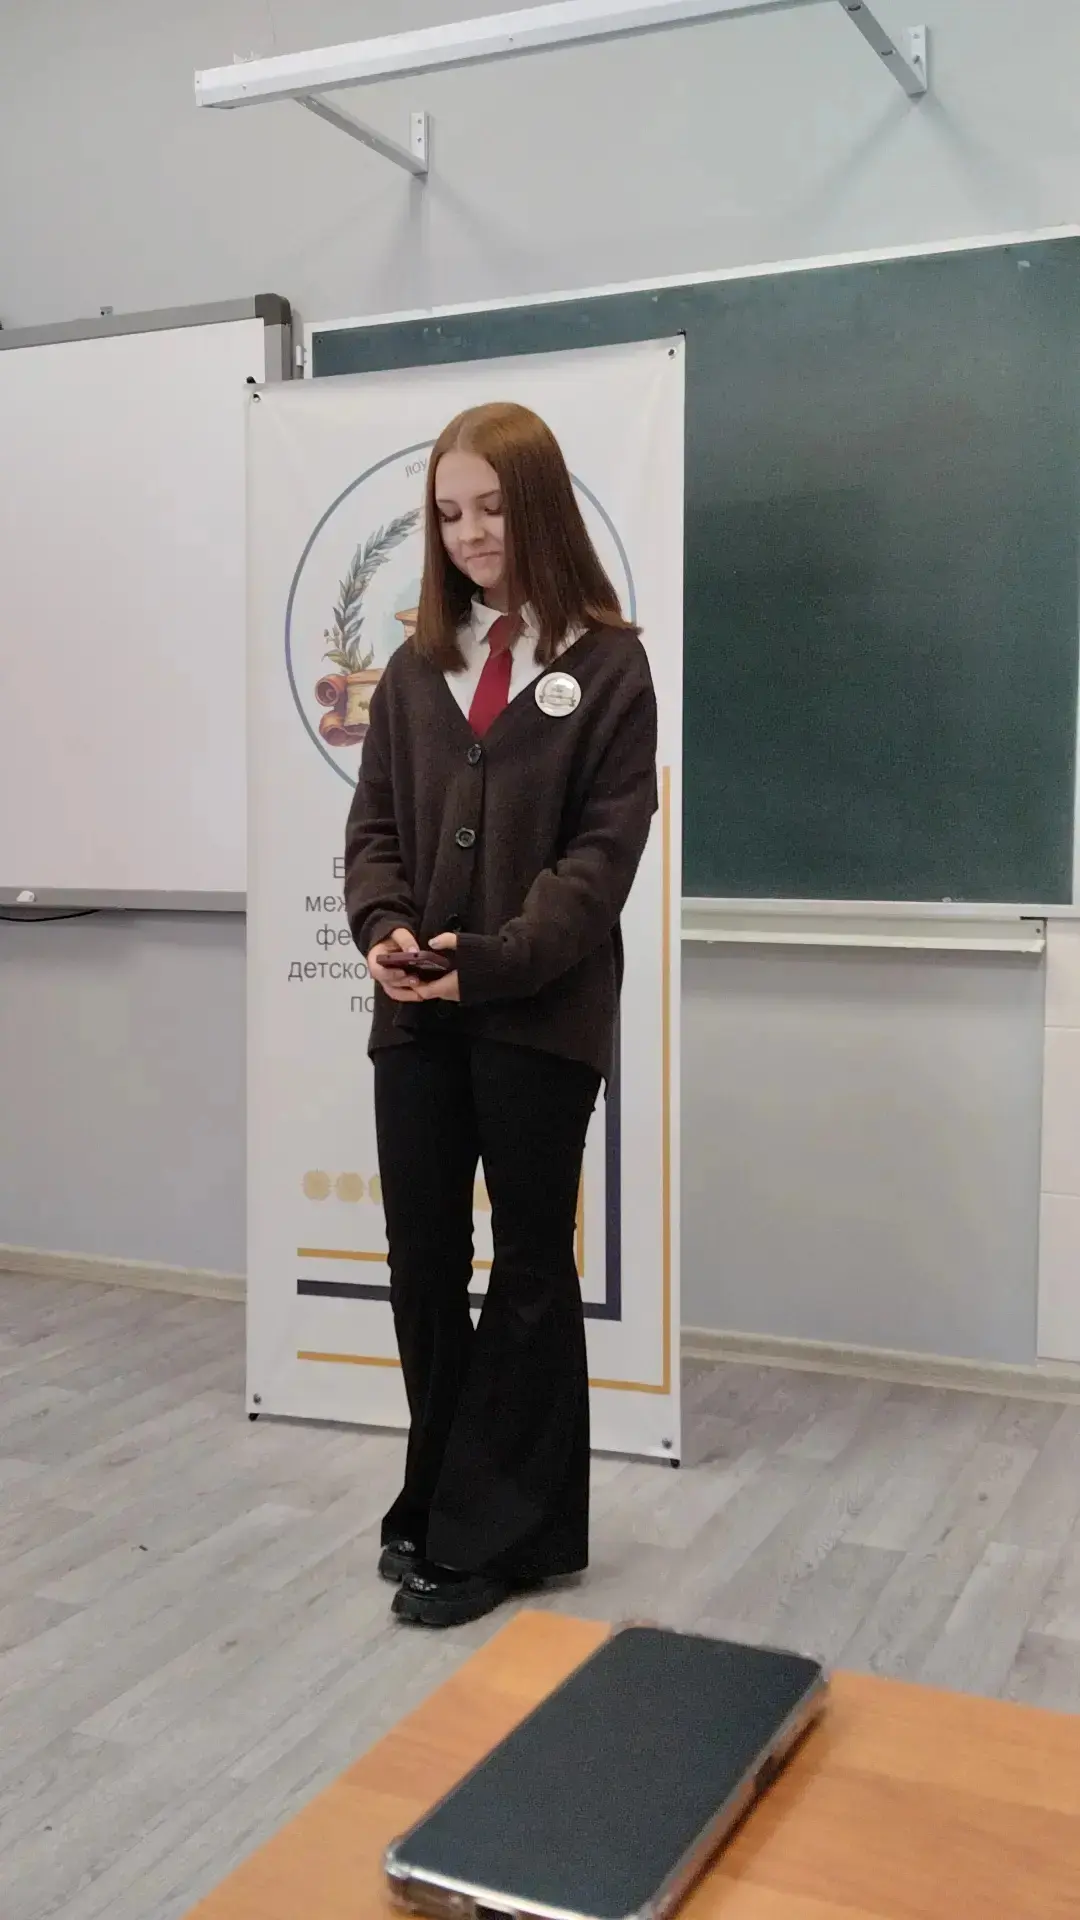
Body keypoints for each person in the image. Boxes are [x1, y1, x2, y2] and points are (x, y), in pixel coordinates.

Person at [344, 399, 657, 1628]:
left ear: (538, 507)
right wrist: (384, 930)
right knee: (421, 1257)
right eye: (448, 513)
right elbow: (373, 829)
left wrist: (496, 960)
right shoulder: (417, 667)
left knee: (527, 1260)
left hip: (538, 1016)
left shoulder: (609, 665)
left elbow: (601, 857)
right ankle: (439, 1496)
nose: (470, 534)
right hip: (417, 1016)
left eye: (490, 508)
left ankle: (500, 1532)